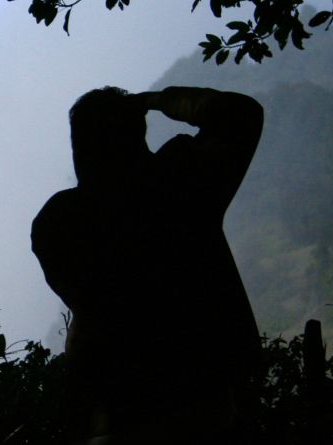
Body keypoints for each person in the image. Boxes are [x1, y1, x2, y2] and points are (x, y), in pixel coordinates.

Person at [31, 86, 264, 444]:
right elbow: (239, 112)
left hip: (110, 414)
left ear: (79, 146)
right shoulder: (179, 183)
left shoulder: (57, 221)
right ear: (137, 134)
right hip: (203, 402)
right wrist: (155, 100)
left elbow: (84, 300)